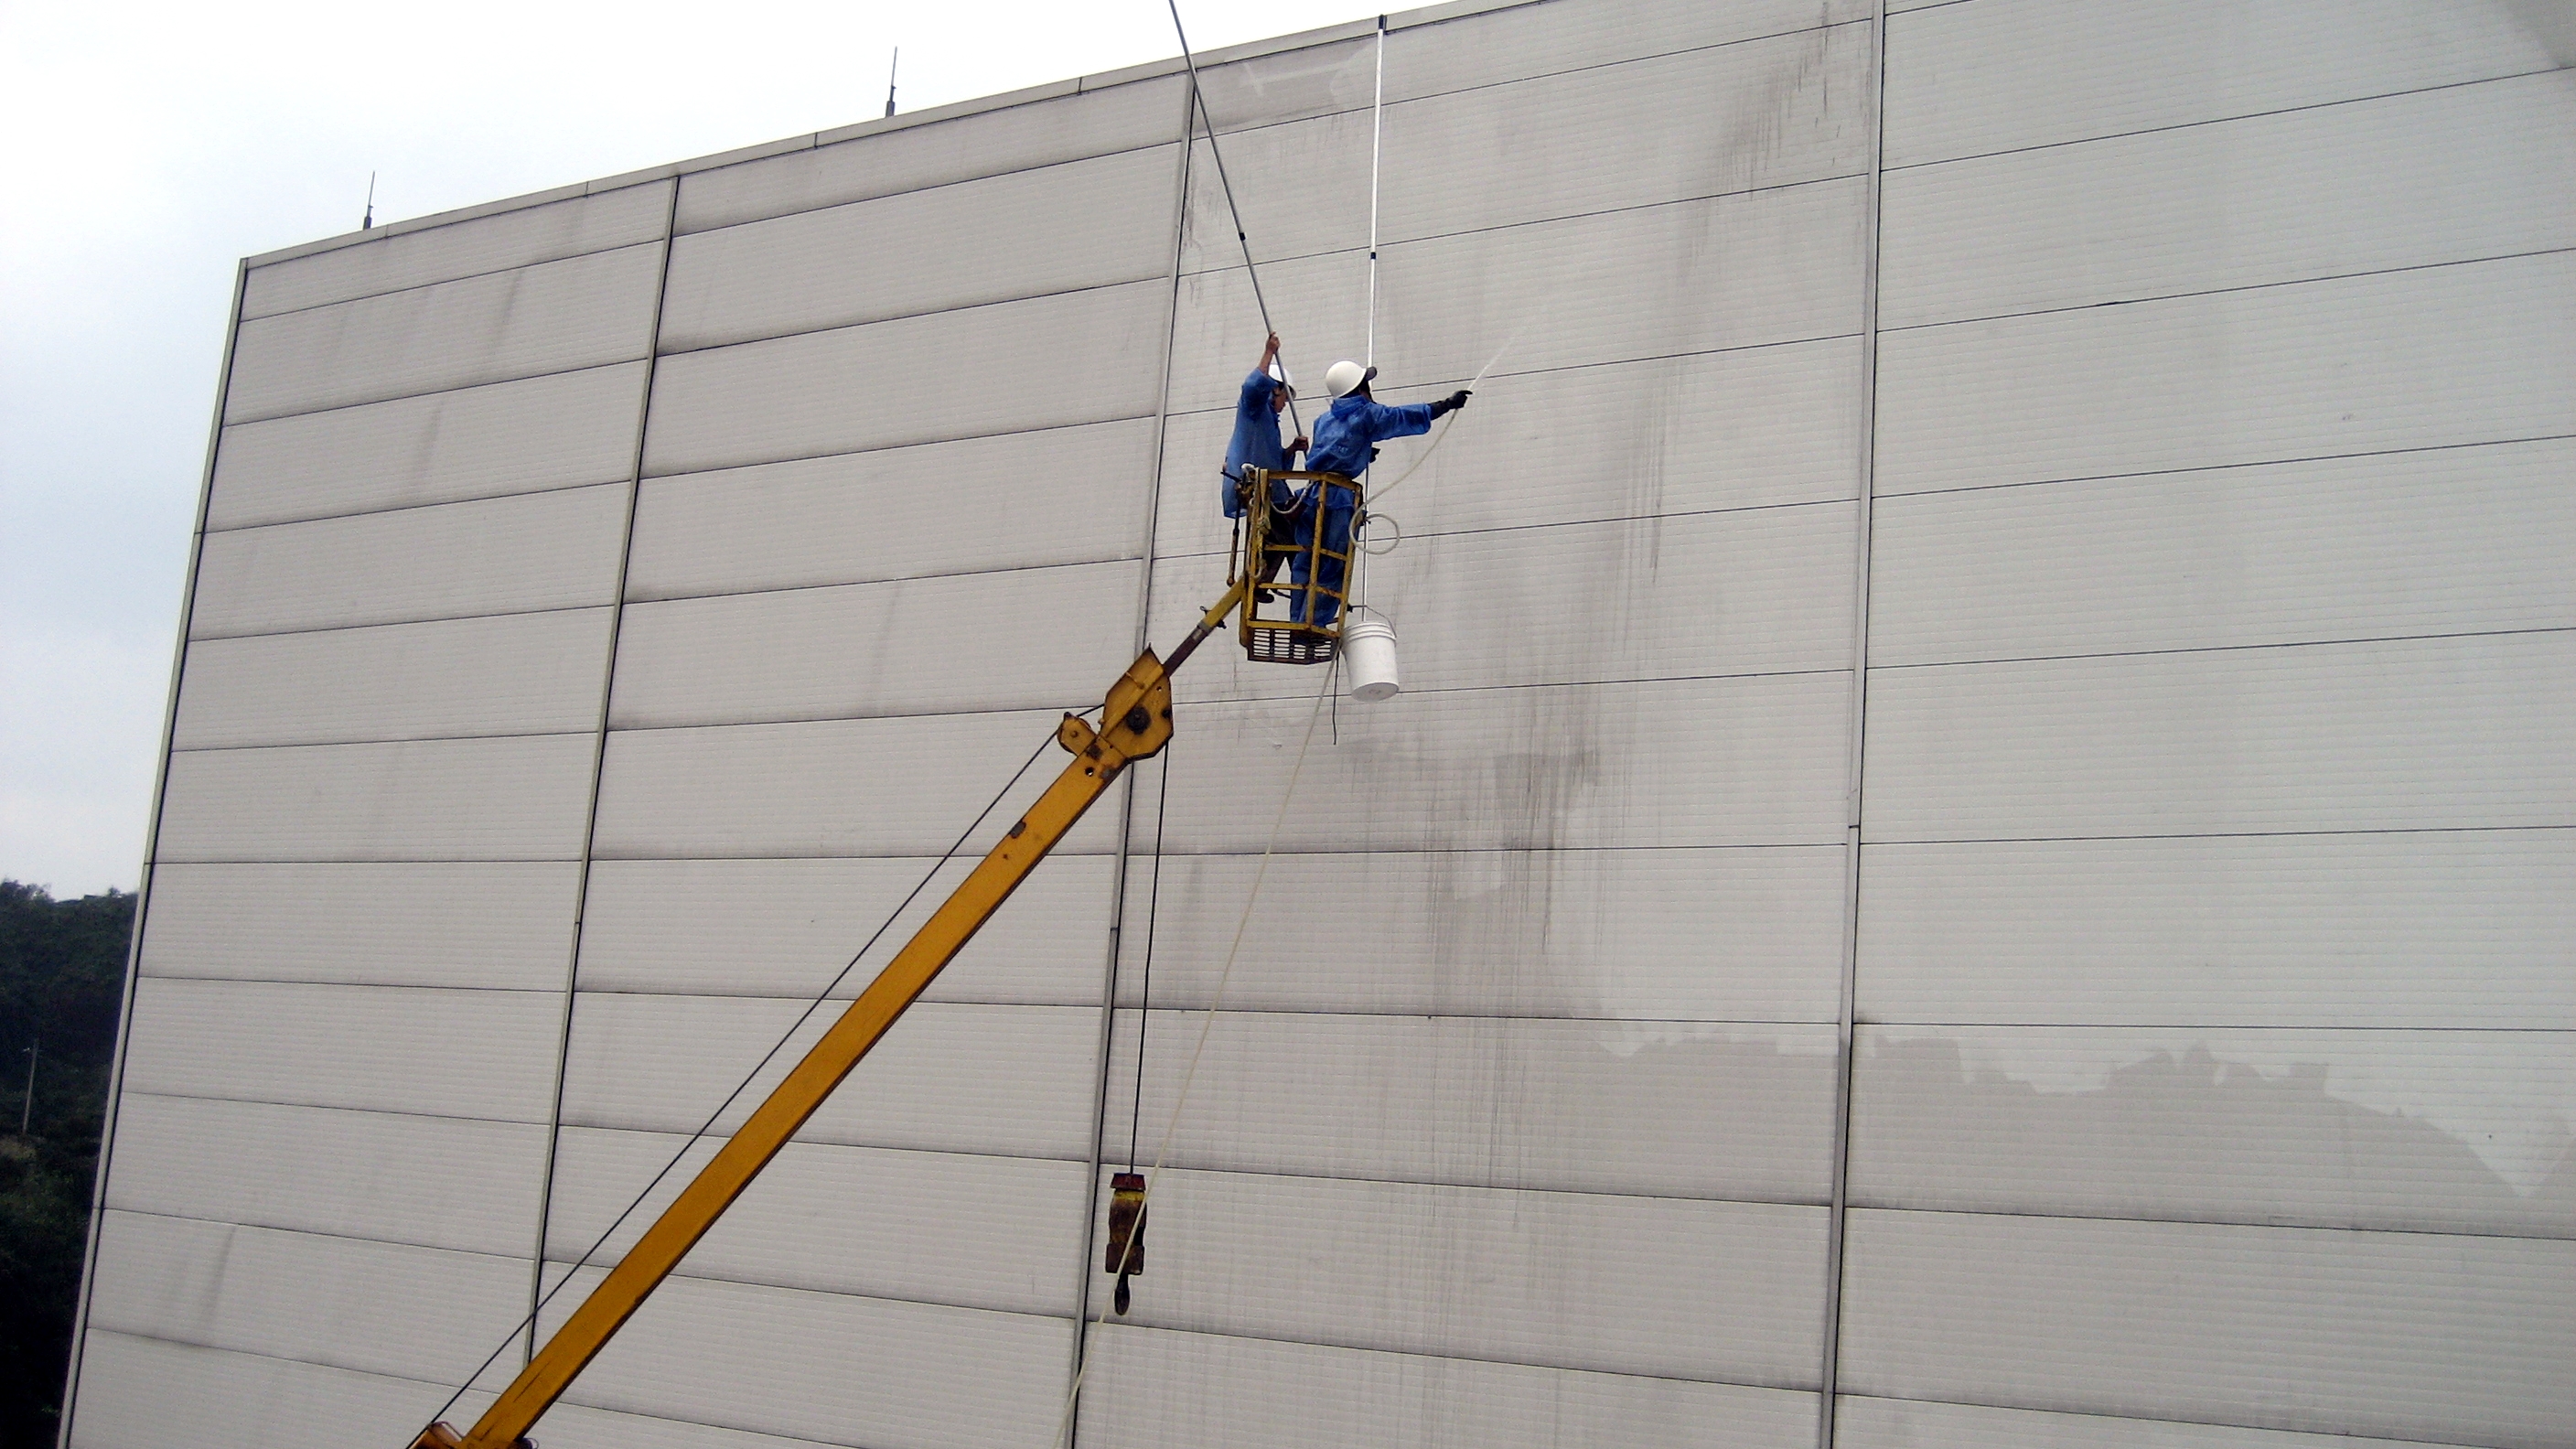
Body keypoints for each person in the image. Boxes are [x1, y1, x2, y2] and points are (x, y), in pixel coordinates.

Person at [1284, 360, 1470, 625]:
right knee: (1335, 562)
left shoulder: (1323, 420)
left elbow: (1333, 448)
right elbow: (1402, 417)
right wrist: (1446, 405)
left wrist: (1361, 450)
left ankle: (1297, 621)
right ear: (1359, 387)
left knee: (1306, 558)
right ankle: (1313, 623)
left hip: (1310, 496)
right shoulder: (1367, 414)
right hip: (1338, 499)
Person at [1221, 332, 1309, 602]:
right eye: (1285, 398)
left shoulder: (1269, 422)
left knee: (1287, 531)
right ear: (1276, 389)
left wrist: (1291, 450)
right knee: (1285, 530)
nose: (1284, 405)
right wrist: (1269, 352)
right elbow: (1251, 388)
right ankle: (1274, 581)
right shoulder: (1254, 409)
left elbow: (1274, 461)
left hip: (1268, 488)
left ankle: (1272, 580)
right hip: (1253, 484)